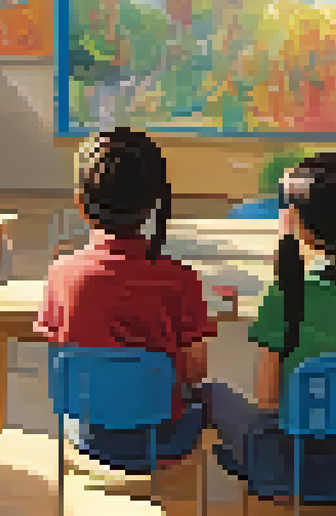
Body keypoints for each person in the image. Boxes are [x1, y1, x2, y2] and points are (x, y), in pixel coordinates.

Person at [201, 153, 336, 504]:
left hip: (295, 469)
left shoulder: (285, 294)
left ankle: (248, 470)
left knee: (210, 392)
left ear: (299, 224)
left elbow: (267, 400)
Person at [36, 128, 213, 473]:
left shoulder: (61, 273)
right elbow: (195, 372)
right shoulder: (180, 277)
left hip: (87, 434)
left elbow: (60, 358)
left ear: (80, 203)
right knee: (216, 397)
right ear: (153, 203)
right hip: (164, 437)